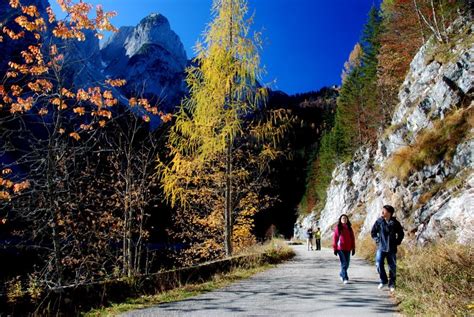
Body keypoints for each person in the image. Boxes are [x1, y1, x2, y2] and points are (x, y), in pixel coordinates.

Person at [371, 205, 404, 292]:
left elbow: (401, 233)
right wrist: (378, 240)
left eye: (384, 211)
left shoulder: (395, 223)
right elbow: (373, 232)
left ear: (389, 213)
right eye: (382, 210)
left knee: (392, 267)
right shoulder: (379, 222)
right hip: (381, 247)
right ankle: (383, 280)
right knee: (378, 264)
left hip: (391, 248)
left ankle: (392, 284)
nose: (382, 212)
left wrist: (397, 242)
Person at [333, 214, 355, 284]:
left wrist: (353, 248)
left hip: (348, 248)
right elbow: (335, 238)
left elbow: (352, 238)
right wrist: (335, 248)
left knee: (347, 264)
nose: (344, 219)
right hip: (340, 248)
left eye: (345, 218)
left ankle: (341, 274)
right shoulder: (338, 228)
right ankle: (345, 278)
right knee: (344, 263)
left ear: (347, 220)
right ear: (340, 220)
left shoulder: (349, 228)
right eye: (343, 218)